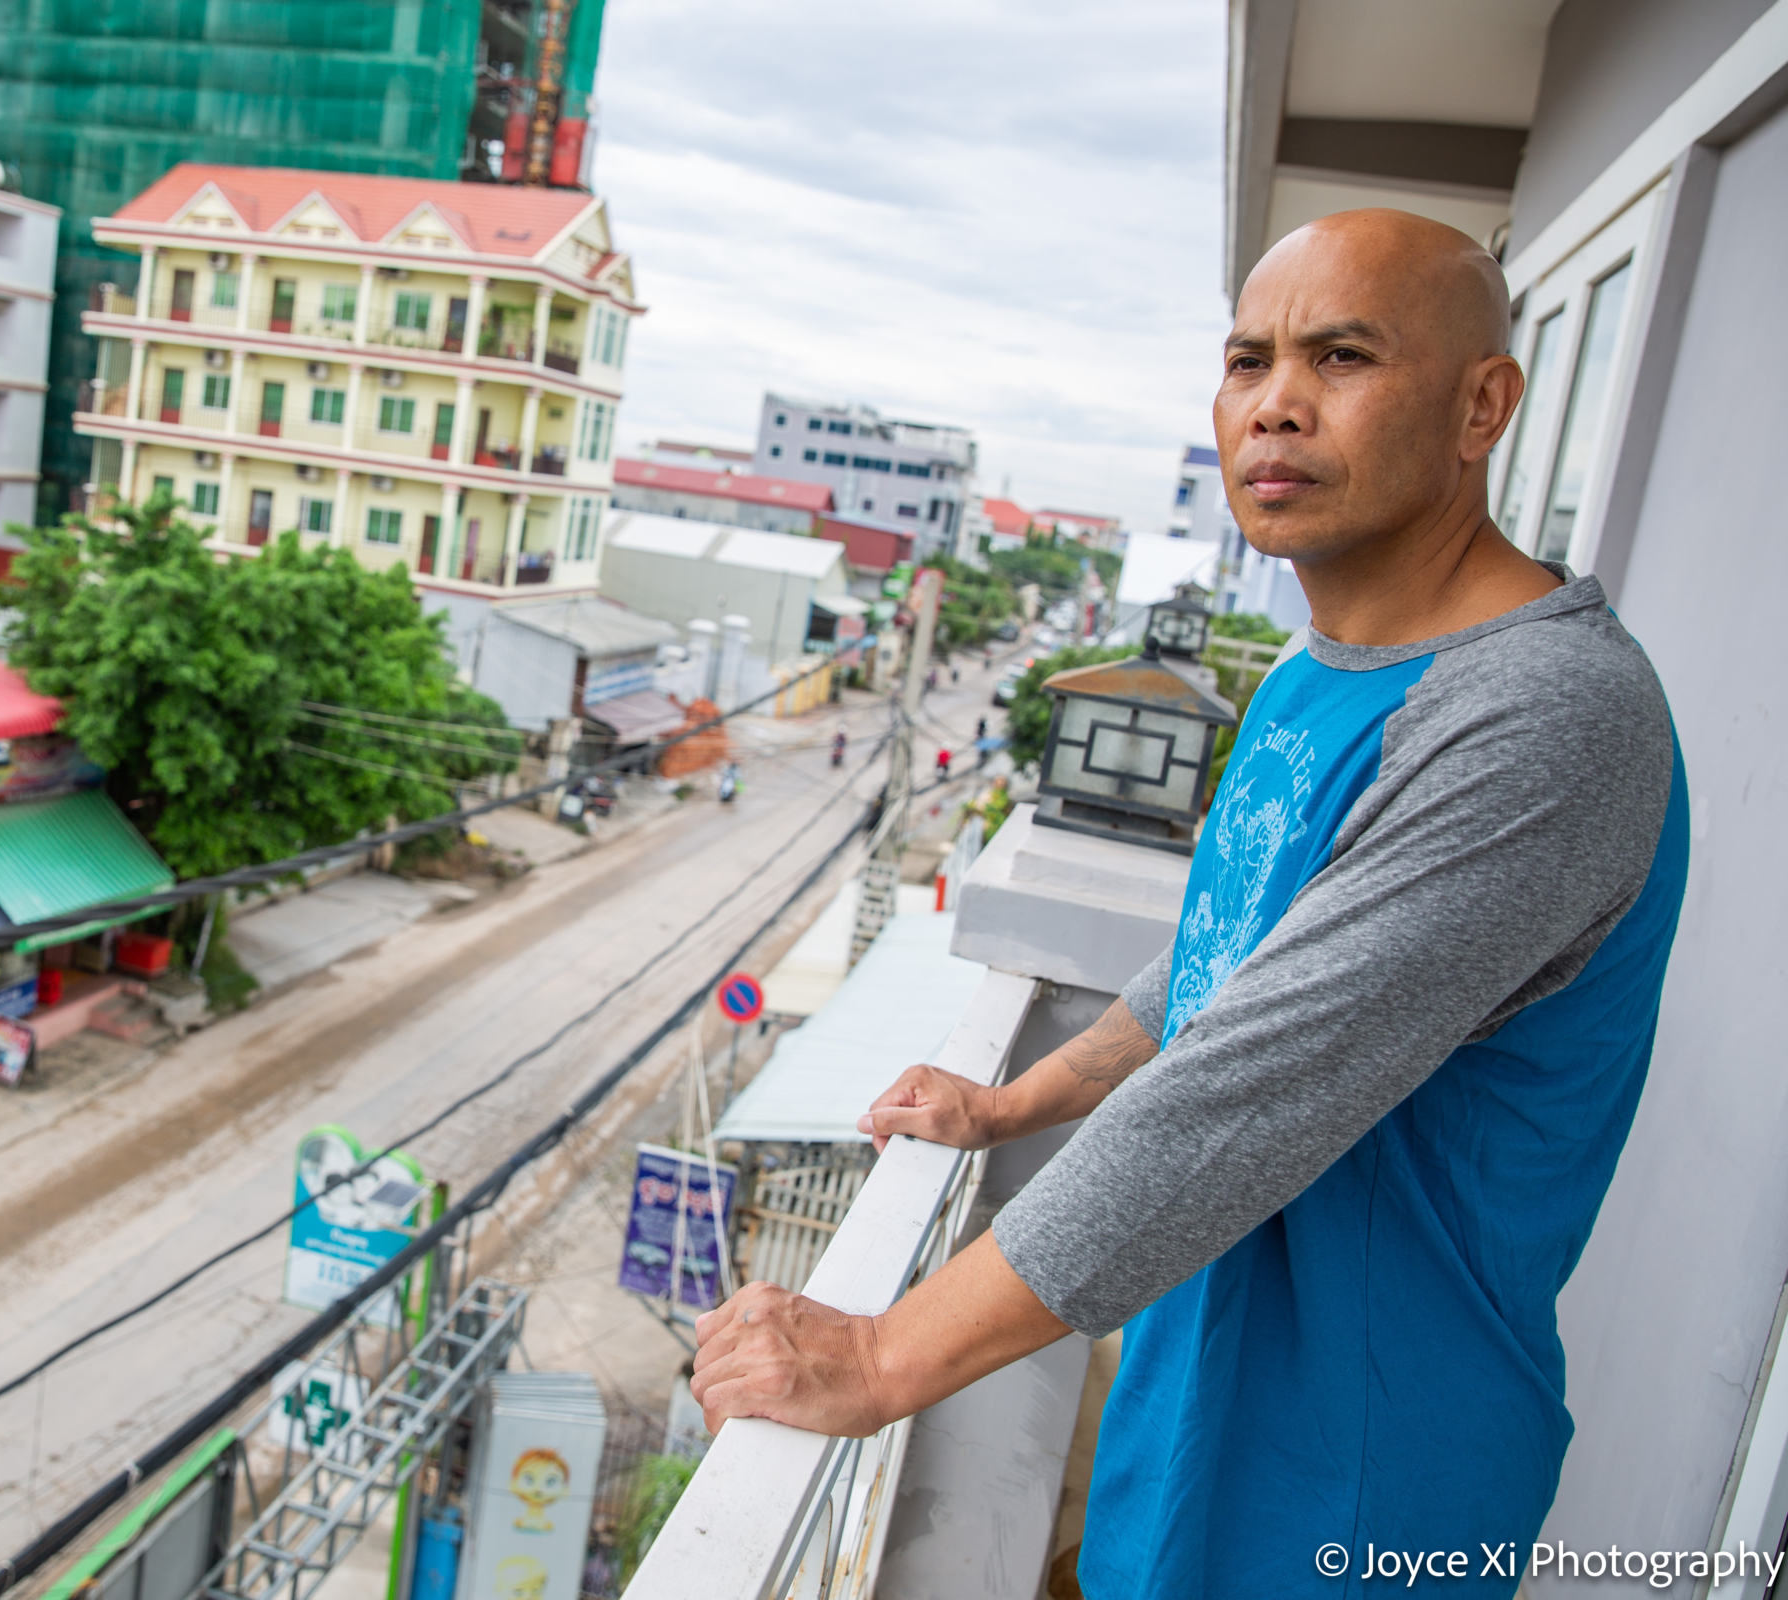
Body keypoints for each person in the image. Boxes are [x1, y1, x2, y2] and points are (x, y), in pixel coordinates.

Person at [687, 210, 1687, 1597]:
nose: (1275, 403)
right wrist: (1007, 1105)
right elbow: (1222, 973)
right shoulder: (1305, 678)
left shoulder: (1544, 717)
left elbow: (1252, 1079)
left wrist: (881, 1353)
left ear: (1483, 404)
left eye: (1342, 356)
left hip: (1363, 1477)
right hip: (1191, 1408)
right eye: (1247, 360)